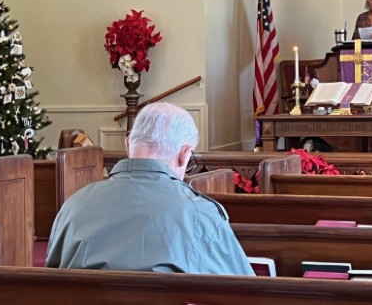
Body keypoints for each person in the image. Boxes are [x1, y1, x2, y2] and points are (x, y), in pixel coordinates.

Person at [46, 102, 255, 275]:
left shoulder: (74, 205)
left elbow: (51, 281)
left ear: (128, 145)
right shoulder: (201, 212)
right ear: (184, 154)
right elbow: (244, 290)